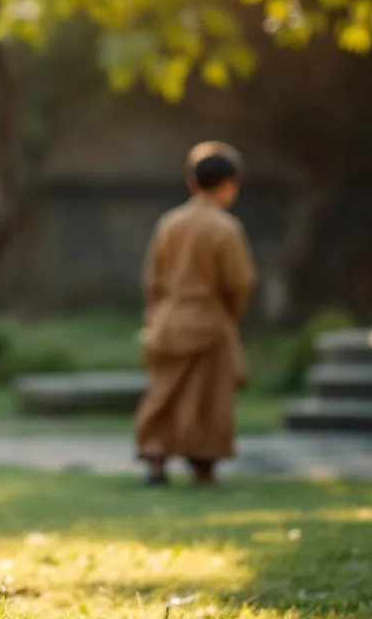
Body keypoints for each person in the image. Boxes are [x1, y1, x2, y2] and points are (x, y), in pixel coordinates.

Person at [134, 141, 257, 486]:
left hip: (167, 319)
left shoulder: (169, 223)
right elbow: (239, 282)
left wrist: (155, 316)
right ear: (230, 184)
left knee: (164, 395)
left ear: (192, 181)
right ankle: (204, 465)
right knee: (206, 400)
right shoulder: (225, 228)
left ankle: (156, 461)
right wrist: (229, 316)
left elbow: (152, 279)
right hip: (207, 321)